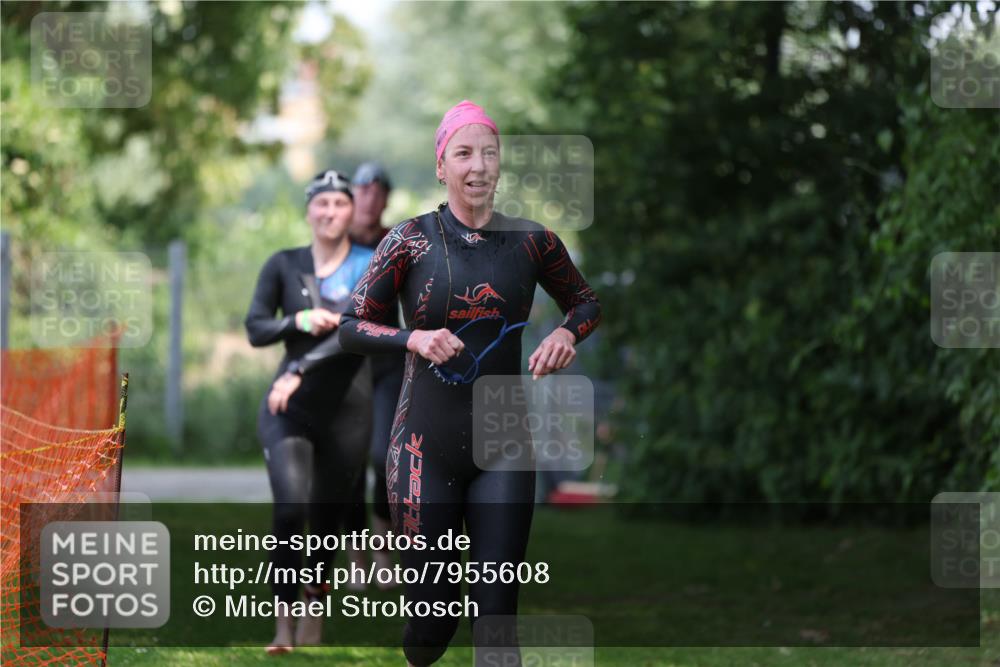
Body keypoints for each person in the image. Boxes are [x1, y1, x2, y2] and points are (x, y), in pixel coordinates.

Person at [338, 101, 601, 666]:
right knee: (432, 624)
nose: (478, 165)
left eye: (489, 152)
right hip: (423, 447)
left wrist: (565, 335)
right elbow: (349, 325)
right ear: (442, 165)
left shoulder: (533, 242)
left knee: (497, 615)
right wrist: (413, 338)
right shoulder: (410, 241)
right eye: (464, 153)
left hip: (504, 439)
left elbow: (585, 302)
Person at [244, 169, 374, 654]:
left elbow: (362, 332)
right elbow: (255, 328)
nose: (330, 213)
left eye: (340, 204)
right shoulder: (284, 264)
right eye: (322, 204)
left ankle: (313, 609)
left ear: (352, 210)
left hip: (349, 410)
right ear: (309, 210)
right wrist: (295, 320)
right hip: (288, 408)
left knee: (325, 520)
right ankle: (281, 627)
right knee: (290, 510)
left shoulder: (369, 264)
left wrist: (300, 366)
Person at [341, 162, 405, 588]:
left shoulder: (396, 242)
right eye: (362, 190)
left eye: (377, 191)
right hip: (344, 365)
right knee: (344, 463)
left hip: (386, 363)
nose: (369, 198)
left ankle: (384, 549)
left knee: (383, 458)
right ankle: (355, 555)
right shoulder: (335, 242)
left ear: (385, 199)